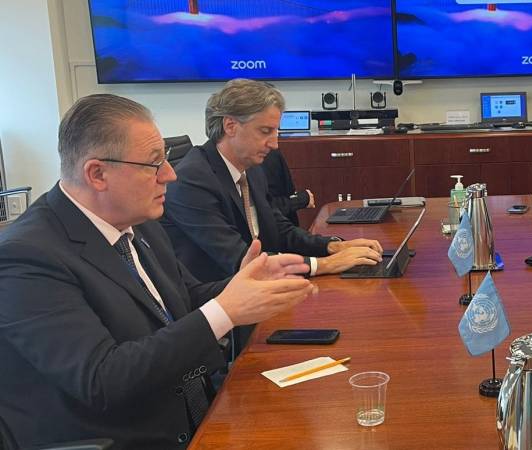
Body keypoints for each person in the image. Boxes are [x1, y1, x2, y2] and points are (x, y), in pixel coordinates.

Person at [0, 94, 316, 449]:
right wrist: (226, 309)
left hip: (199, 412)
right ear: (97, 174)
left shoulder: (138, 220)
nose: (170, 174)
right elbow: (103, 379)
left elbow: (184, 299)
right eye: (154, 164)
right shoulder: (26, 256)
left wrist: (243, 286)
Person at [162, 78, 383, 283]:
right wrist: (324, 264)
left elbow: (280, 229)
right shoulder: (191, 182)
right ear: (230, 126)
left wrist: (333, 246)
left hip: (261, 287)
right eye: (265, 131)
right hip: (222, 296)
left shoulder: (252, 169)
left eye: (275, 131)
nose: (274, 144)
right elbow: (241, 260)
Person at [260, 148, 314, 227]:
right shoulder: (259, 161)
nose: (275, 145)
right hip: (271, 228)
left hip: (286, 225)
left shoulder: (272, 153)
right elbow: (263, 209)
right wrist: (299, 200)